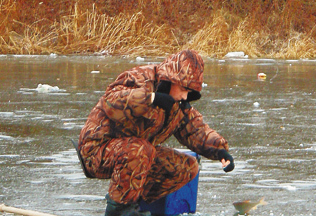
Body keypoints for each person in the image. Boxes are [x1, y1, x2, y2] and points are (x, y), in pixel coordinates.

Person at [75, 49, 235, 216]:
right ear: (172, 80)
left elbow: (195, 130)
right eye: (183, 89)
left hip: (137, 155)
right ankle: (119, 211)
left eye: (189, 92)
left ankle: (136, 207)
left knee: (187, 167)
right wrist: (150, 99)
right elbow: (111, 102)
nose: (184, 96)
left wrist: (220, 151)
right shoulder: (140, 78)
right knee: (140, 150)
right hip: (96, 150)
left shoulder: (177, 103)